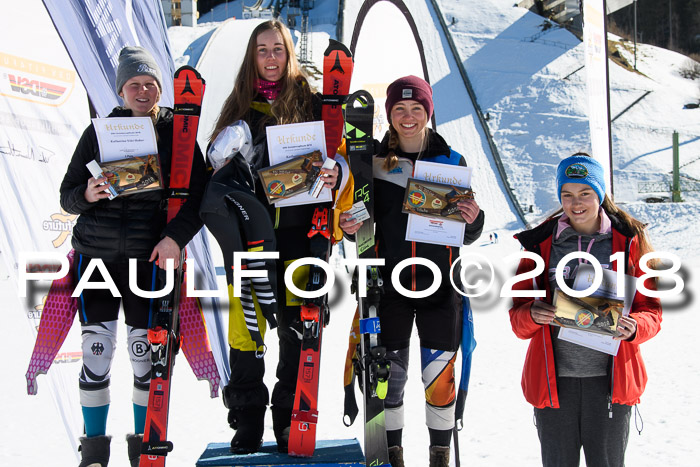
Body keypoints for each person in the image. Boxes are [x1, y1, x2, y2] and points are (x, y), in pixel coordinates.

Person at [59, 46, 207, 467]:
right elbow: (67, 195)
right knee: (96, 354)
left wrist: (175, 239)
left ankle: (145, 450)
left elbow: (199, 199)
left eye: (150, 84)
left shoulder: (178, 133)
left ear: (160, 89)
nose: (143, 92)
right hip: (97, 259)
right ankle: (93, 452)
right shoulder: (99, 132)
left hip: (149, 261)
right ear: (121, 91)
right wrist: (87, 194)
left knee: (146, 357)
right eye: (134, 84)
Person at [207, 20, 341, 454]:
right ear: (252, 56)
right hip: (251, 236)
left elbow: (340, 157)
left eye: (277, 49)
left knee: (295, 328)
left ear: (288, 55)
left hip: (301, 235)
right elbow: (214, 170)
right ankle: (247, 418)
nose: (270, 58)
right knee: (246, 328)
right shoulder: (240, 107)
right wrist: (225, 154)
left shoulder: (310, 103)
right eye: (262, 50)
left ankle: (287, 416)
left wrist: (336, 173)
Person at [339, 76, 484, 467]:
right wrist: (351, 226)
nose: (408, 117)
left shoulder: (452, 161)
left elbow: (467, 231)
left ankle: (439, 457)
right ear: (389, 115)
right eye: (399, 109)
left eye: (416, 108)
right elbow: (363, 225)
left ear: (428, 112)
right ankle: (393, 457)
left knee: (439, 378)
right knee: (390, 378)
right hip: (390, 286)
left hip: (440, 286)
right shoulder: (373, 163)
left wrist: (474, 219)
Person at [509, 153, 662, 467]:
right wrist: (532, 315)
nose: (575, 203)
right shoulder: (539, 244)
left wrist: (635, 326)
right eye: (567, 194)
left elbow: (651, 310)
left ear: (600, 193)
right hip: (554, 382)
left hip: (610, 382)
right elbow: (518, 319)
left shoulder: (629, 240)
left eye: (585, 193)